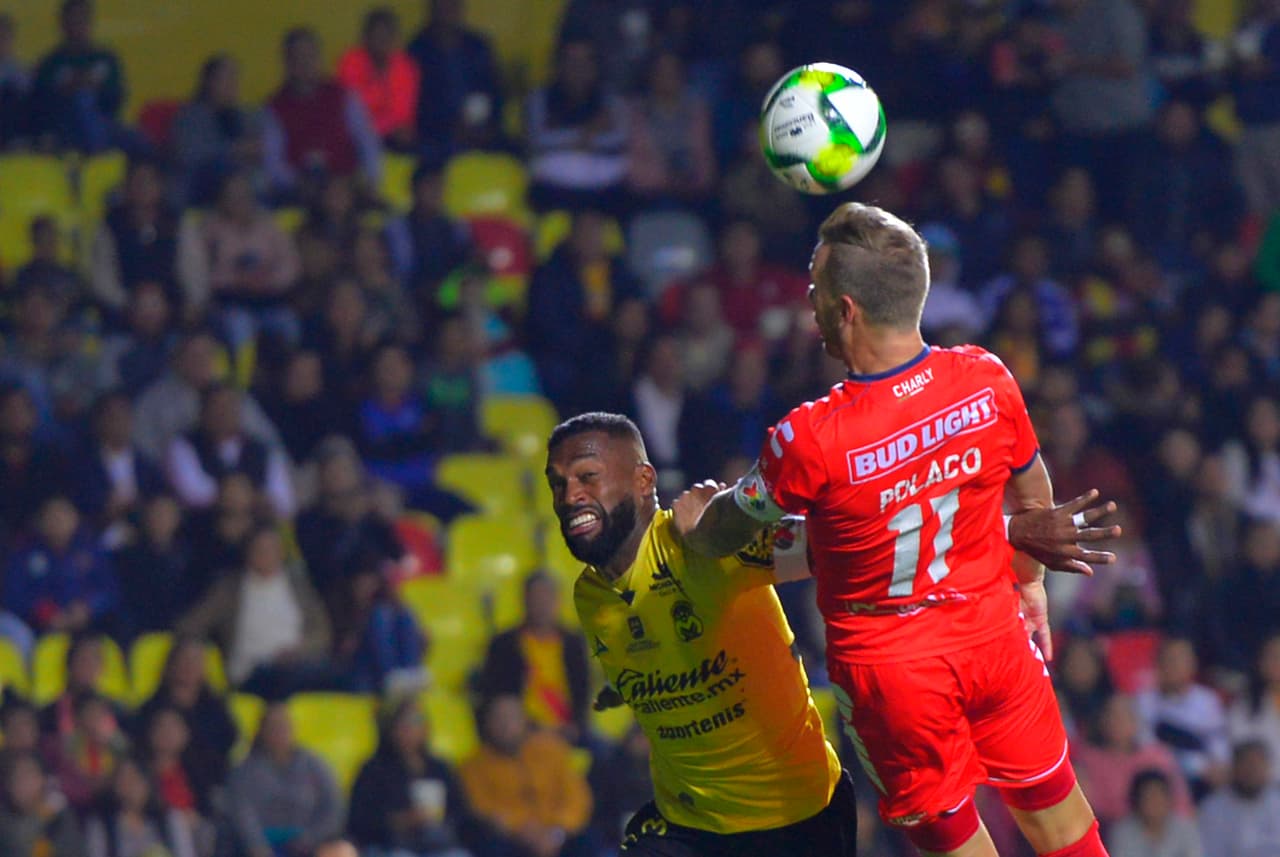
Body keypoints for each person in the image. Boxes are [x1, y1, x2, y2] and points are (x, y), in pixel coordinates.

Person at [677, 202, 1120, 857]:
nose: (808, 301)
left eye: (815, 287)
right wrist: (1028, 585)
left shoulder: (809, 438)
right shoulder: (986, 379)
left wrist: (696, 520)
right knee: (1066, 833)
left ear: (846, 309)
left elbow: (724, 533)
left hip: (894, 678)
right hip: (996, 639)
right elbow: (1034, 498)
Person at [543, 411, 1104, 856]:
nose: (570, 497)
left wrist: (1013, 529)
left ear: (644, 480)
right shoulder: (590, 595)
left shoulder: (708, 545)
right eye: (558, 483)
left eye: (587, 477)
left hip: (794, 822)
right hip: (689, 828)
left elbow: (864, 544)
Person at [457, 694, 592, 857]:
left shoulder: (552, 750)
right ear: (487, 725)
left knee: (588, 842)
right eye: (498, 719)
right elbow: (482, 808)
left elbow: (577, 797)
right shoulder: (474, 765)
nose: (505, 725)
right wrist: (521, 830)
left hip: (557, 832)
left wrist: (557, 832)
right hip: (511, 837)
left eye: (511, 718)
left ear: (525, 722)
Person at [347, 697, 474, 857]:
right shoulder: (372, 770)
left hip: (437, 844)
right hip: (389, 846)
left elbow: (460, 812)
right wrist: (400, 821)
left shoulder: (439, 768)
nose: (409, 729)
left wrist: (437, 819)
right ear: (390, 728)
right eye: (402, 723)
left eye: (416, 721)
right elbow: (359, 820)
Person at [264, 27, 382, 196]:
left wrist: (370, 179)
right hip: (301, 193)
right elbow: (273, 163)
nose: (305, 63)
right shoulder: (274, 108)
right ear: (287, 63)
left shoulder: (344, 96)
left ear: (319, 58)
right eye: (298, 57)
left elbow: (367, 141)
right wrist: (298, 182)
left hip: (347, 188)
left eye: (310, 56)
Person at [478, 571, 590, 741]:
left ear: (558, 601)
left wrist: (575, 726)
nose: (542, 604)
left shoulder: (573, 644)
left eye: (547, 597)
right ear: (524, 600)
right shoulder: (504, 644)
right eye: (536, 597)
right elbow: (497, 697)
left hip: (568, 730)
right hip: (520, 732)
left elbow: (583, 692)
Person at [226, 702, 344, 857]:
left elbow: (332, 806)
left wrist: (311, 838)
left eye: (283, 726)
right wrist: (257, 847)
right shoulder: (245, 772)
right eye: (273, 727)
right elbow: (242, 814)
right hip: (262, 845)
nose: (279, 732)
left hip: (310, 844)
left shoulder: (314, 766)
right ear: (262, 731)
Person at [1135, 637, 1230, 800]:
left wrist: (1219, 765)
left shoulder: (1207, 700)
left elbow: (1218, 741)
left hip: (1206, 781)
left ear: (1193, 665)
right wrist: (1198, 766)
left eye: (1179, 660)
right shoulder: (1143, 702)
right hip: (1162, 780)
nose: (1173, 666)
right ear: (1157, 664)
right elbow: (1147, 746)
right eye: (1168, 660)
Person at [406, 0, 503, 156]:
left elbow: (494, 93)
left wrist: (486, 127)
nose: (447, 10)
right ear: (432, 8)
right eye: (442, 5)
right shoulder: (417, 50)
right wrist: (451, 127)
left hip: (480, 130)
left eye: (452, 4)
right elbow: (417, 104)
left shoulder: (478, 47)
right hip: (436, 136)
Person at [27, 0, 125, 152]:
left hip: (103, 125)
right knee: (82, 98)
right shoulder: (50, 63)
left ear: (90, 22)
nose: (76, 25)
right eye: (72, 20)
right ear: (63, 24)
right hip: (62, 129)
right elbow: (39, 105)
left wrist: (94, 88)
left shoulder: (106, 59)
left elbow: (116, 99)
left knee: (136, 141)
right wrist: (68, 90)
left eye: (81, 19)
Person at [170, 54, 268, 206]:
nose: (232, 85)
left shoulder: (244, 117)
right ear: (209, 82)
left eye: (234, 78)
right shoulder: (190, 117)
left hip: (244, 186)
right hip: (197, 187)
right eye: (226, 79)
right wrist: (234, 150)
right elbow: (189, 155)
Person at [337, 7, 420, 151]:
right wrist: (381, 127)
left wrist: (388, 126)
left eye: (387, 35)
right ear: (365, 37)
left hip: (395, 136)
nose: (382, 41)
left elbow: (402, 115)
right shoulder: (351, 63)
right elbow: (355, 112)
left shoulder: (406, 67)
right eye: (377, 35)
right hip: (358, 136)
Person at [83, 755, 198, 857]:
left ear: (148, 782)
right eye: (123, 779)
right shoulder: (101, 825)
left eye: (136, 778)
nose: (130, 785)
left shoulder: (171, 819)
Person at [1198, 740, 1280, 857]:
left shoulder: (1276, 802)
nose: (1253, 772)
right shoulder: (1213, 809)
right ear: (1234, 768)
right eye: (1248, 765)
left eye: (1258, 765)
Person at [0, 752, 86, 857]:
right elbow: (18, 847)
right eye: (17, 777)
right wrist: (41, 816)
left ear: (43, 780)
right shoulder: (4, 821)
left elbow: (74, 851)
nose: (24, 783)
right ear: (8, 785)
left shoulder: (59, 815)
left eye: (29, 775)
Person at [1106, 770, 1201, 857]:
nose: (1155, 803)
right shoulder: (1122, 833)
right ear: (1137, 801)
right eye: (1148, 797)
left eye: (1159, 797)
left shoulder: (1185, 829)